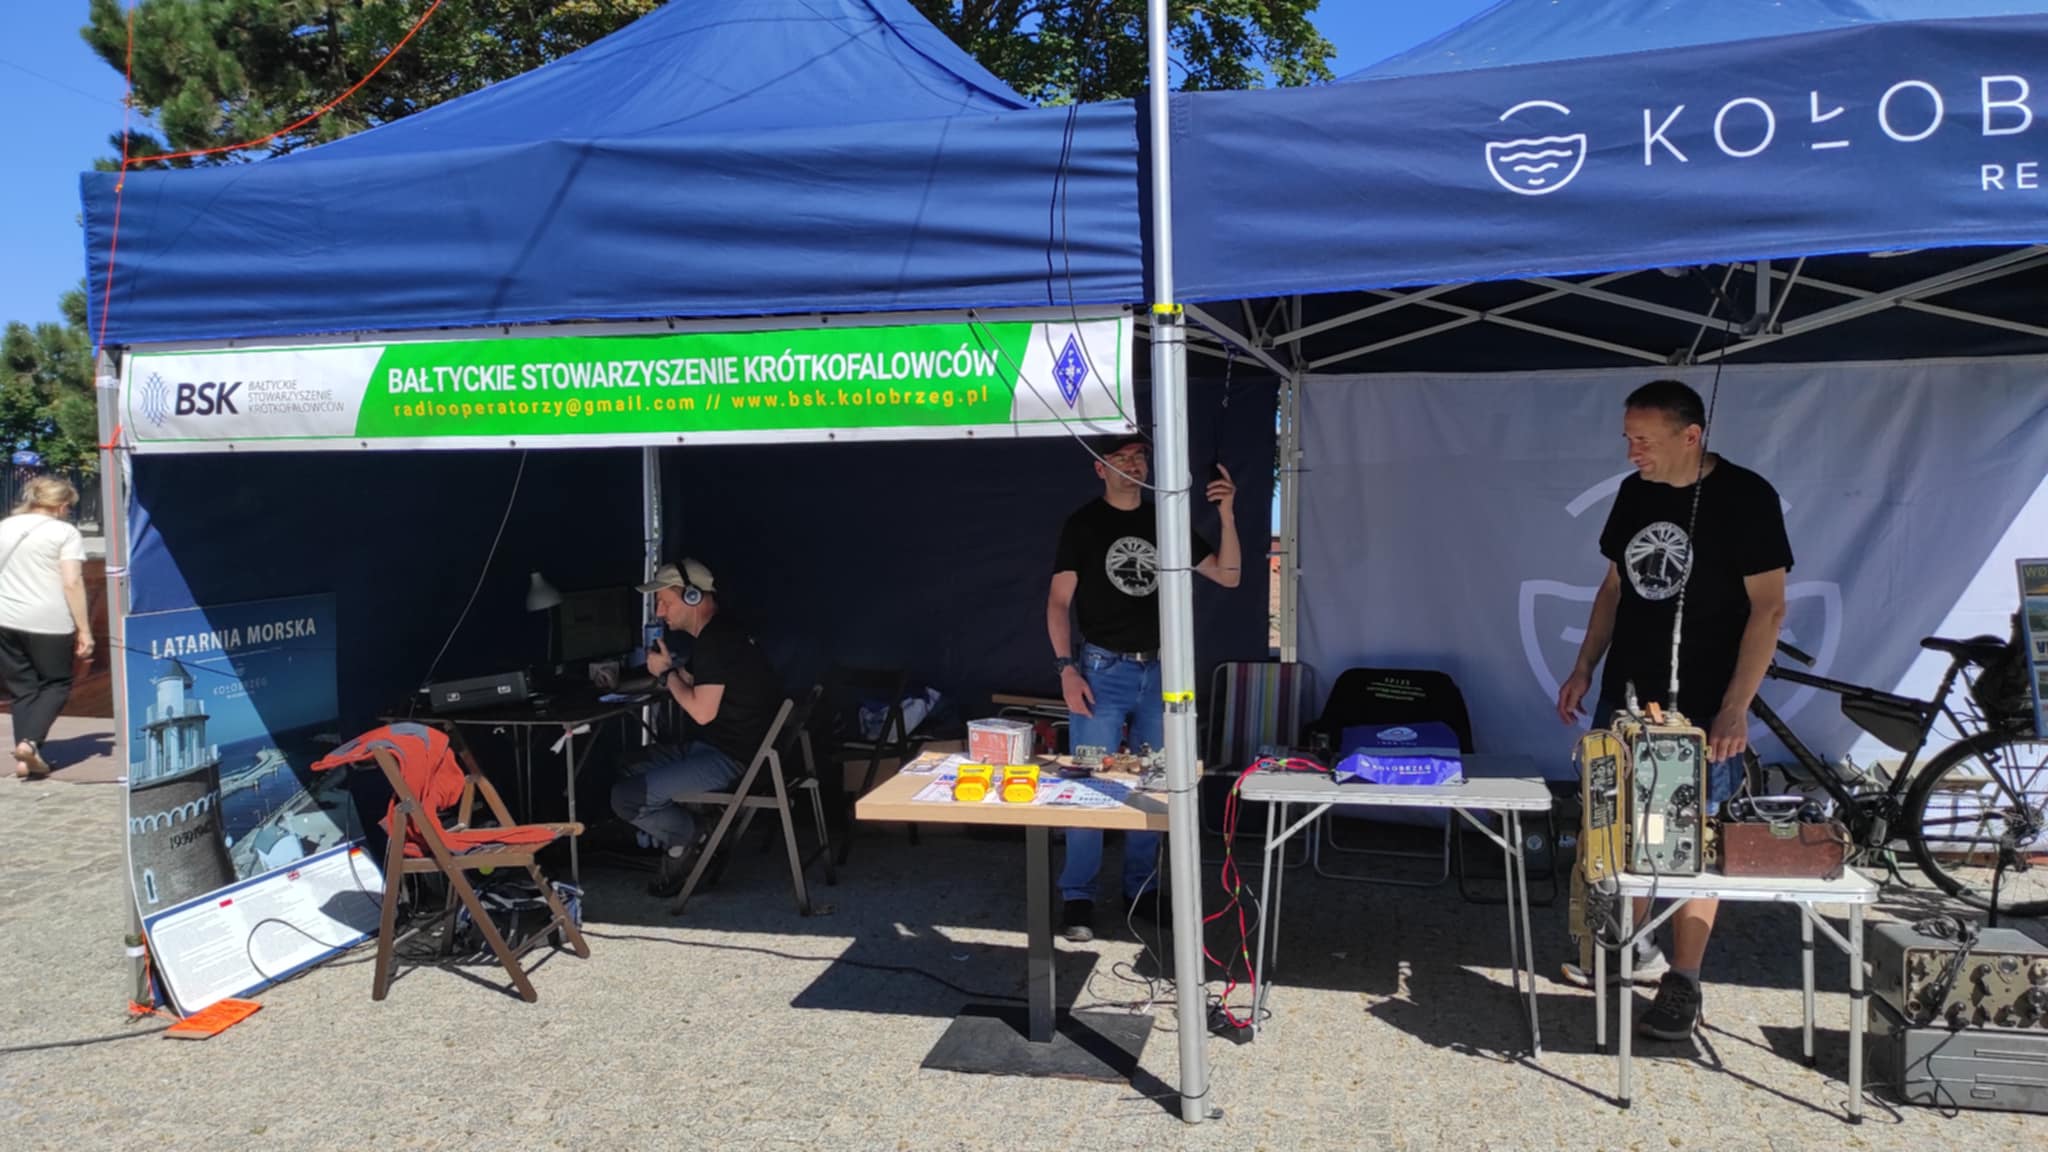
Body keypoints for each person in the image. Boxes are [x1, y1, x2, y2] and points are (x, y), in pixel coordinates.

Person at [1556, 379, 1791, 1039]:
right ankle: (1627, 950)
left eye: (1644, 439)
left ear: (1691, 436)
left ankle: (1683, 980)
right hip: (1627, 696)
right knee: (1617, 830)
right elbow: (1613, 588)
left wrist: (1736, 707)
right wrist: (1584, 666)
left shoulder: (1747, 497)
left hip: (1704, 707)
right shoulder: (1634, 494)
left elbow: (1769, 609)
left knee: (1695, 841)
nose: (1632, 452)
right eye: (1628, 438)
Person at [1049, 433, 1240, 941]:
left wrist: (1226, 515)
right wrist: (1066, 668)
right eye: (1121, 458)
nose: (1133, 465)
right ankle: (1078, 897)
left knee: (1156, 783)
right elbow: (1058, 602)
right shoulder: (1083, 524)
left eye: (1139, 457)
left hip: (1162, 673)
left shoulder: (1166, 520)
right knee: (1089, 784)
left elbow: (1228, 576)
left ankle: (1142, 889)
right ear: (1100, 469)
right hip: (1102, 671)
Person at [611, 559, 784, 897]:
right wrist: (667, 672)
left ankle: (689, 836)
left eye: (665, 602)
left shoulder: (716, 641)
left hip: (733, 760)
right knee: (627, 764)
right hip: (736, 749)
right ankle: (684, 831)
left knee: (624, 797)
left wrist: (665, 675)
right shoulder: (721, 632)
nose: (659, 612)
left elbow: (701, 712)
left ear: (693, 597)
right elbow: (690, 678)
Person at [0, 476, 93, 780]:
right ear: (61, 505)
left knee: (22, 689)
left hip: (5, 618)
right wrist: (84, 630)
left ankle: (26, 759)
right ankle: (29, 744)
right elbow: (72, 582)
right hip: (48, 621)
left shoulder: (5, 526)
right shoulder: (65, 533)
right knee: (57, 683)